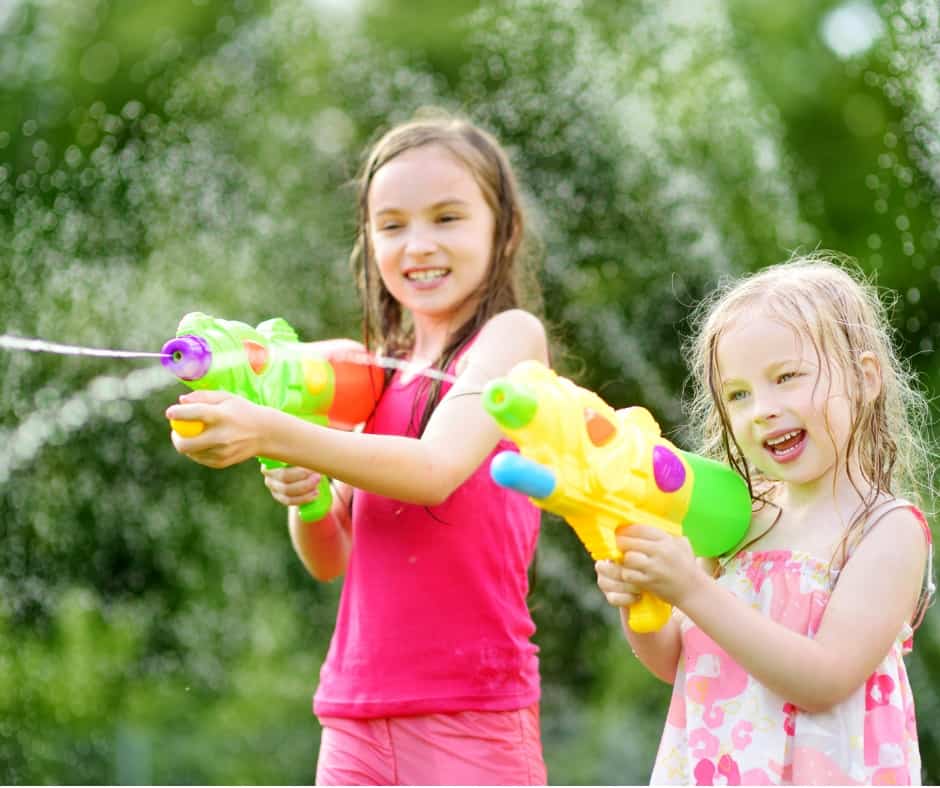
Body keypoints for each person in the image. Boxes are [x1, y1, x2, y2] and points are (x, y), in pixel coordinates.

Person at [165, 112, 550, 785]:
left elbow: (432, 472)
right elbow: (330, 557)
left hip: (471, 712)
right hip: (354, 714)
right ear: (369, 239)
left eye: (447, 218)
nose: (418, 244)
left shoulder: (510, 341)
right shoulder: (378, 375)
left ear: (505, 230)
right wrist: (306, 491)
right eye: (392, 224)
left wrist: (274, 429)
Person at [595, 253, 935, 785]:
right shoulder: (739, 516)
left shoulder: (887, 529)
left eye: (787, 377)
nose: (762, 409)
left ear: (866, 379)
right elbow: (678, 663)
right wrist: (646, 595)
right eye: (739, 394)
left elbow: (824, 679)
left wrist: (689, 589)